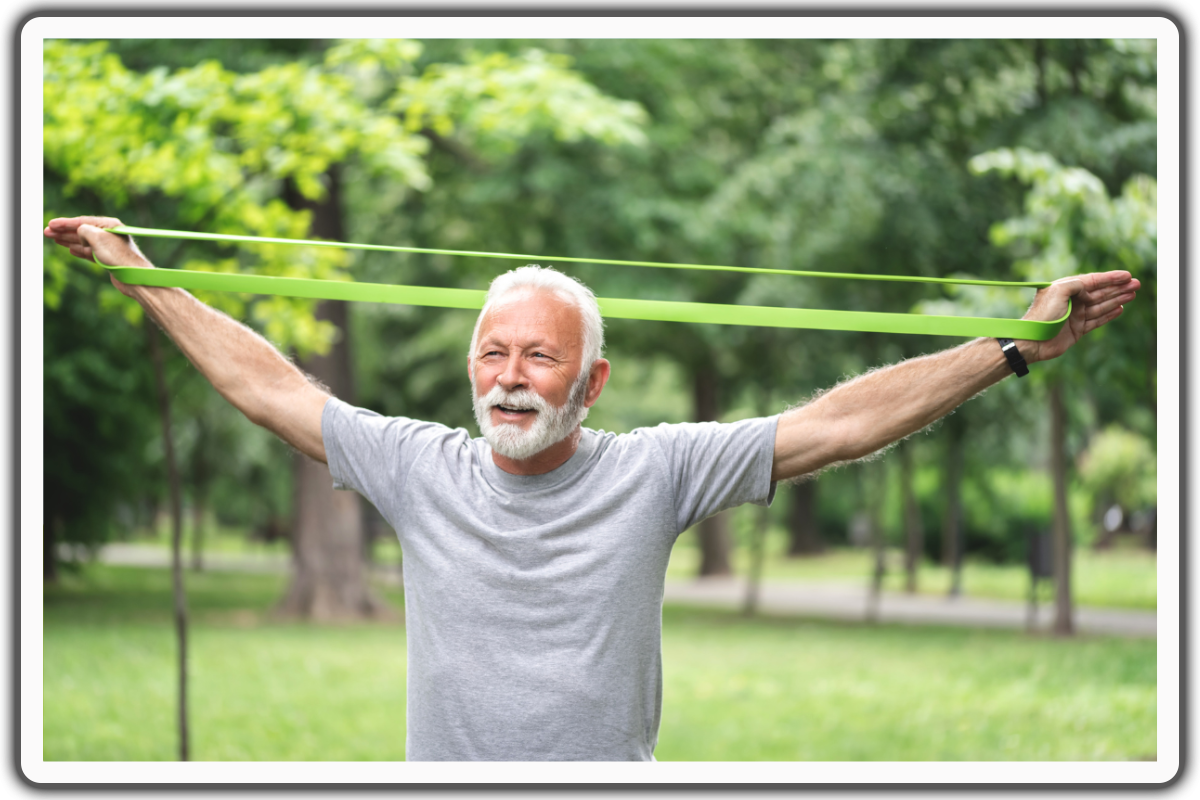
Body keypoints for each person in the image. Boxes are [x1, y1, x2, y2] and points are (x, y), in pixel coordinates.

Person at [44, 216, 1140, 761]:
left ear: (593, 379)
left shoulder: (653, 469)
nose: (510, 379)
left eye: (539, 357)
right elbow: (263, 385)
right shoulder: (419, 466)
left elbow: (838, 423)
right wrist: (140, 267)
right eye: (492, 353)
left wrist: (1009, 345)